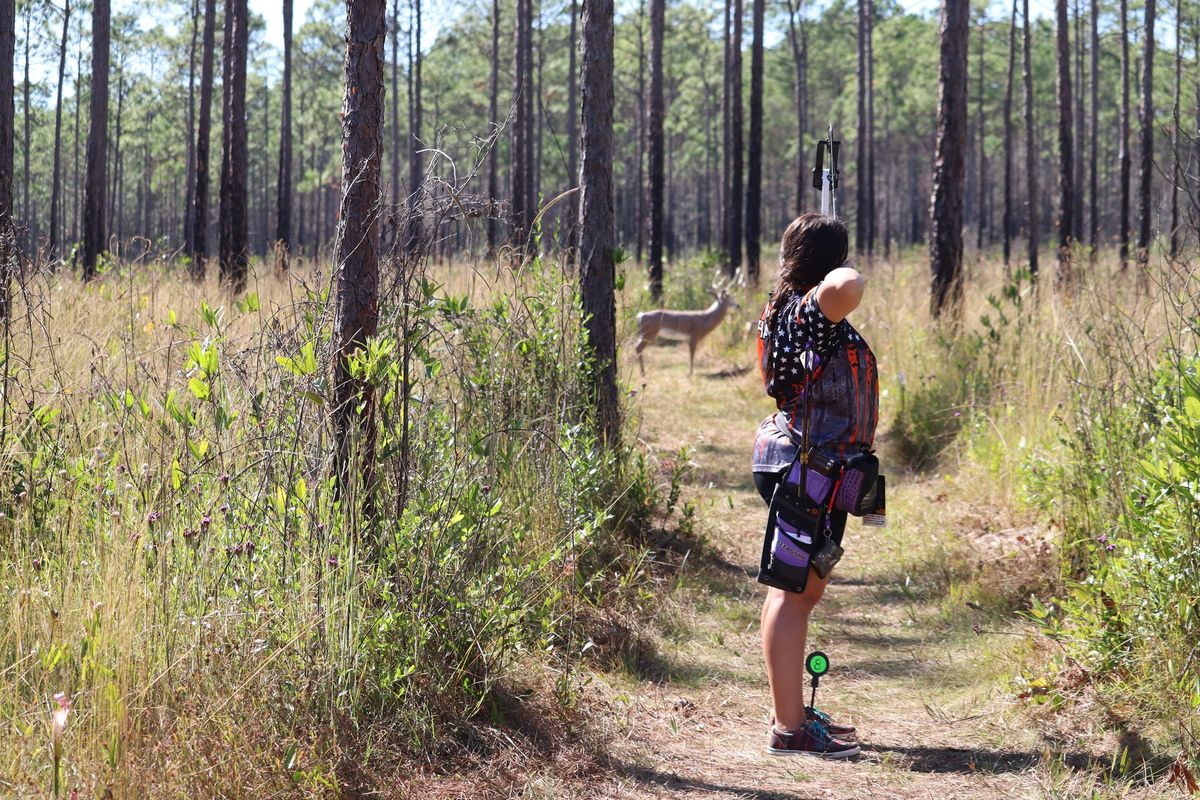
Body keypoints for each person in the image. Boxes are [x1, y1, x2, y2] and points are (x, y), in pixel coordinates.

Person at [750, 212, 878, 758]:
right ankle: (789, 729)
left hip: (819, 469)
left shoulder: (793, 309)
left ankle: (793, 711)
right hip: (809, 468)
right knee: (794, 594)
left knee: (800, 590)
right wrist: (839, 269)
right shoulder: (810, 312)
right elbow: (847, 286)